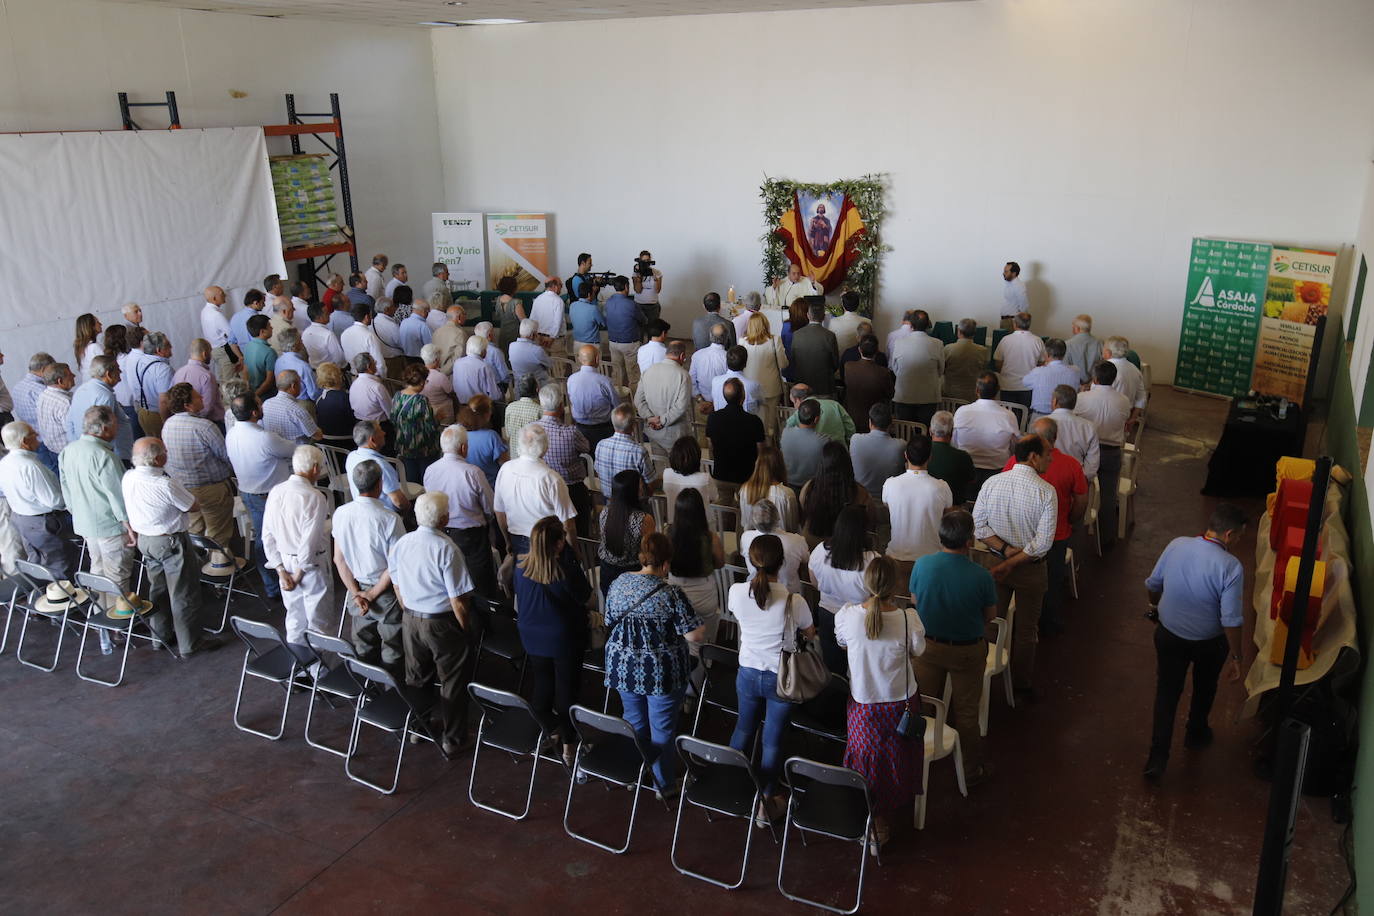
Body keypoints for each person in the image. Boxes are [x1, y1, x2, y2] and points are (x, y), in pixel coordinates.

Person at [1142, 503, 1247, 783]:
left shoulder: (1177, 545)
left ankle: (1157, 758)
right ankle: (1196, 733)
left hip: (1169, 636)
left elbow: (1153, 584)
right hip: (1209, 644)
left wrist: (1154, 607)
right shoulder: (1231, 567)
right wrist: (1237, 658)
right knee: (1205, 687)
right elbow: (1231, 620)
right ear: (1228, 534)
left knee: (1166, 693)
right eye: (1238, 537)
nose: (1238, 543)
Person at [604, 531, 703, 794]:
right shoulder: (670, 593)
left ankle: (632, 772)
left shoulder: (619, 582)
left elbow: (608, 619)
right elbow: (694, 634)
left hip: (623, 667)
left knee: (634, 722)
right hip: (660, 672)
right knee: (662, 728)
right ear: (666, 563)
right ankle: (663, 784)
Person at [728, 533, 815, 820]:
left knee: (743, 728)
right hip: (782, 678)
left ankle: (731, 780)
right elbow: (810, 634)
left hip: (748, 672)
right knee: (772, 740)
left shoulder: (737, 592)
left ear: (752, 563)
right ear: (782, 563)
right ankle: (766, 800)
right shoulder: (795, 601)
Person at [908, 508, 996, 788]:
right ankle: (970, 770)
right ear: (970, 540)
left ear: (941, 536)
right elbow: (990, 617)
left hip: (928, 648)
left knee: (922, 706)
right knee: (967, 712)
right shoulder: (981, 576)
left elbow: (914, 600)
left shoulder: (922, 565)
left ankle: (914, 761)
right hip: (967, 651)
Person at [389, 491, 478, 756]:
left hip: (411, 618)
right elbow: (459, 601)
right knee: (451, 680)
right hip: (441, 622)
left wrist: (408, 609)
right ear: (444, 518)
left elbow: (395, 583)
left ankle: (419, 729)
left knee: (416, 677)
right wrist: (466, 630)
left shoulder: (402, 543)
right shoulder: (447, 548)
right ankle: (453, 739)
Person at [972, 435, 1058, 700]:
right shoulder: (1046, 492)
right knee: (1026, 630)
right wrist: (1013, 556)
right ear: (1033, 457)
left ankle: (982, 675)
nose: (1050, 459)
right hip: (1030, 570)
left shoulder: (992, 482)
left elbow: (979, 526)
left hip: (994, 564)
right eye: (1047, 454)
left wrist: (1003, 553)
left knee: (990, 621)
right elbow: (1042, 545)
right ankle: (1021, 683)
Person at [123, 437, 217, 658]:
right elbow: (192, 505)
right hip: (170, 540)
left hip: (145, 540)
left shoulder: (128, 477)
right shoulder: (164, 483)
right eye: (165, 450)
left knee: (157, 589)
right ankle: (190, 643)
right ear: (158, 458)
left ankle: (161, 636)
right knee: (184, 592)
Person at [514, 515, 592, 767]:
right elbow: (586, 598)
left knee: (542, 685)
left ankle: (549, 731)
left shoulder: (520, 567)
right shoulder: (565, 572)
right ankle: (571, 745)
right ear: (559, 544)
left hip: (531, 636)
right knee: (567, 691)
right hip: (564, 639)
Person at [60, 406, 148, 618]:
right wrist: (129, 526)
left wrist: (76, 512)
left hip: (85, 523)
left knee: (98, 571)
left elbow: (65, 488)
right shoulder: (105, 456)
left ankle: (101, 615)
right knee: (117, 574)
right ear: (105, 428)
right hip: (111, 526)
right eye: (116, 423)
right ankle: (118, 620)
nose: (118, 427)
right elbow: (118, 495)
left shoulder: (68, 450)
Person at [1007, 417, 1087, 638]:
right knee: (1051, 582)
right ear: (1055, 438)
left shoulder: (1015, 462)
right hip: (1056, 536)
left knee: (1018, 580)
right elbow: (1081, 500)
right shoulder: (1071, 464)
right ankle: (1048, 623)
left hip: (1018, 536)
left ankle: (1016, 623)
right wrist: (1069, 520)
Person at [333, 460, 406, 674]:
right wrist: (372, 594)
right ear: (380, 484)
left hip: (356, 590)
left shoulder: (341, 513)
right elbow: (395, 565)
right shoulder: (390, 519)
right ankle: (393, 695)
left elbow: (339, 560)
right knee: (393, 648)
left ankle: (368, 692)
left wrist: (358, 594)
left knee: (363, 647)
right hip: (384, 593)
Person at [262, 445, 333, 663]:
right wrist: (299, 574)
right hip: (310, 566)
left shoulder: (276, 491)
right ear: (314, 468)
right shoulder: (314, 497)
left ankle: (297, 669)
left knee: (294, 619)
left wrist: (281, 571)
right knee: (317, 622)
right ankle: (317, 673)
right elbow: (309, 542)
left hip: (284, 560)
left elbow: (267, 534)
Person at [224, 394, 294, 598]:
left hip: (248, 492)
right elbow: (294, 450)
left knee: (262, 539)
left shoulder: (232, 434)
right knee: (275, 539)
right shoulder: (265, 437)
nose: (262, 405)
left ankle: (271, 585)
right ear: (254, 412)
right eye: (259, 403)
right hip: (270, 495)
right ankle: (282, 582)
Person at [161, 383, 237, 558]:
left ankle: (198, 570)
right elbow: (225, 455)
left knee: (195, 532)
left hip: (184, 489)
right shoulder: (205, 427)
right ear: (187, 405)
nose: (202, 397)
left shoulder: (168, 425)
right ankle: (220, 575)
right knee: (219, 535)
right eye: (197, 396)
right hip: (212, 489)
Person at [424, 424, 499, 599]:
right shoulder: (473, 472)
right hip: (472, 536)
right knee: (481, 585)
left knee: (450, 581)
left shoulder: (430, 471)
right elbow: (490, 506)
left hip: (440, 533)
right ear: (464, 448)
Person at [809, 505, 880, 672]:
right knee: (860, 668)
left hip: (827, 615)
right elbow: (876, 594)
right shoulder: (873, 560)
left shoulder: (820, 551)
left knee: (833, 670)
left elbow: (814, 583)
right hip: (859, 619)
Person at [0, 421, 72, 578]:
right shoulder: (30, 466)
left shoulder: (4, 463)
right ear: (24, 442)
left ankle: (46, 596)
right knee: (59, 566)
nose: (38, 437)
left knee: (38, 565)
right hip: (42, 523)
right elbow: (54, 501)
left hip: (21, 519)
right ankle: (66, 599)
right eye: (34, 434)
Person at [494, 422, 578, 554]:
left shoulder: (505, 469)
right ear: (545, 448)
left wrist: (508, 541)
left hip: (517, 540)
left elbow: (499, 512)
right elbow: (568, 523)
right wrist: (575, 552)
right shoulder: (551, 478)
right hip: (547, 544)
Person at [883, 434, 954, 581]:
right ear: (930, 457)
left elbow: (888, 507)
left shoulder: (890, 484)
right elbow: (947, 515)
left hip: (896, 559)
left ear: (906, 455)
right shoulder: (941, 487)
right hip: (931, 561)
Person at [1075, 362, 1131, 547]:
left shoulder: (1082, 398)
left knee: (1080, 493)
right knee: (1108, 497)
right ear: (1114, 379)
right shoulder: (1123, 400)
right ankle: (1106, 539)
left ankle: (1076, 534)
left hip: (1085, 452)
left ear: (1095, 378)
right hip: (1111, 452)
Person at [668, 487, 725, 654]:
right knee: (705, 640)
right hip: (705, 594)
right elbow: (720, 563)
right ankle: (704, 663)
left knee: (679, 634)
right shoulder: (710, 537)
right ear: (701, 511)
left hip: (676, 593)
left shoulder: (668, 533)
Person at [799, 440, 877, 547]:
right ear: (848, 465)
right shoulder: (862, 495)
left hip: (813, 546)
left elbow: (803, 512)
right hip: (848, 550)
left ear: (821, 465)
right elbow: (870, 526)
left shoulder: (809, 488)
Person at [537, 385, 593, 535]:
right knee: (580, 530)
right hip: (573, 489)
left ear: (541, 404)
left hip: (543, 488)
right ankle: (582, 554)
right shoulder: (571, 433)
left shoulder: (532, 429)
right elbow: (586, 447)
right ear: (562, 406)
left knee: (552, 529)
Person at [952, 373, 1020, 494]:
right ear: (998, 391)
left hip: (967, 470)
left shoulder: (962, 412)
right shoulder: (1008, 416)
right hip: (998, 471)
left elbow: (954, 442)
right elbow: (1015, 445)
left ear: (977, 390)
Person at [598, 468, 655, 596]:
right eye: (640, 485)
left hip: (606, 574)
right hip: (634, 576)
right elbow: (649, 553)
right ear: (633, 491)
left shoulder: (605, 512)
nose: (642, 488)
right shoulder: (644, 519)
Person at [68, 355, 132, 462]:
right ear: (108, 374)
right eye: (117, 369)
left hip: (84, 450)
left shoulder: (81, 389)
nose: (120, 371)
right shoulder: (104, 395)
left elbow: (69, 422)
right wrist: (109, 458)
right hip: (108, 456)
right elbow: (104, 430)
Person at [634, 340, 692, 453]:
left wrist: (650, 417)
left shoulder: (648, 371)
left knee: (660, 465)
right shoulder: (683, 375)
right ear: (682, 356)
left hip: (652, 430)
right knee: (678, 467)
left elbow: (638, 400)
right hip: (674, 434)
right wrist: (662, 420)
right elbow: (681, 406)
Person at [705, 378, 765, 487]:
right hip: (747, 477)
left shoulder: (713, 418)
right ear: (743, 396)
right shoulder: (754, 421)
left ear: (724, 396)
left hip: (721, 474)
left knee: (724, 502)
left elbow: (710, 447)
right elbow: (761, 453)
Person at [739, 500, 809, 593]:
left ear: (754, 520)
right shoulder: (797, 540)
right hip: (789, 593)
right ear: (777, 518)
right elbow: (806, 560)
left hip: (753, 590)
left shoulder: (745, 537)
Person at [891, 310, 944, 425]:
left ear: (911, 325)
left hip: (904, 396)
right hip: (928, 397)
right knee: (925, 433)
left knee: (905, 433)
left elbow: (895, 369)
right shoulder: (938, 344)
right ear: (928, 325)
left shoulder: (899, 342)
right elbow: (941, 370)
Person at [740, 312, 788, 437]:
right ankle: (769, 449)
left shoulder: (742, 342)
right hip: (771, 387)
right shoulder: (774, 340)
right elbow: (783, 364)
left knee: (751, 420)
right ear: (765, 324)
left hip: (749, 387)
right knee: (770, 423)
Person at [345, 420, 410, 512]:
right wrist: (409, 509)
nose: (384, 433)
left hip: (361, 510)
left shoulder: (351, 457)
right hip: (385, 514)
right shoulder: (380, 465)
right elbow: (398, 501)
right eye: (380, 430)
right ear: (373, 440)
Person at [593, 404, 654, 499]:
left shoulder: (600, 445)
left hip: (609, 501)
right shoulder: (639, 451)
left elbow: (597, 472)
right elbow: (650, 484)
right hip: (632, 504)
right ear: (633, 426)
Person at [567, 343, 620, 451]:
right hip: (604, 430)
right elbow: (617, 406)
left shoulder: (571, 379)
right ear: (597, 359)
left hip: (579, 428)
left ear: (580, 359)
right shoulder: (604, 381)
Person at [738, 443, 800, 534]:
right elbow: (792, 528)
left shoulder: (745, 490)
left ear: (758, 464)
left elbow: (745, 523)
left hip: (752, 542)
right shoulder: (787, 494)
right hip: (781, 543)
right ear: (780, 466)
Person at [850, 402, 906, 499]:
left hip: (862, 498)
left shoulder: (855, 440)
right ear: (891, 425)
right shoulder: (900, 445)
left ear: (870, 422)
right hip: (890, 500)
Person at [993, 312, 1045, 410]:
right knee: (1025, 417)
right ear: (1029, 324)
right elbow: (1042, 364)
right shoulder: (1037, 341)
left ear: (1014, 324)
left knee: (1008, 416)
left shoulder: (1005, 340)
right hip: (1028, 387)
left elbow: (998, 363)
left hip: (1008, 385)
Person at [1048, 385, 1100, 480]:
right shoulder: (1089, 426)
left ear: (1055, 401)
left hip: (1046, 475)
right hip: (1076, 476)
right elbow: (1092, 462)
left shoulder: (1041, 423)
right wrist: (1081, 478)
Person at [844, 335, 895, 431]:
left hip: (852, 418)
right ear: (877, 351)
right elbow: (890, 394)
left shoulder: (848, 367)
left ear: (859, 350)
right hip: (876, 421)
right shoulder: (883, 372)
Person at [1021, 338, 1082, 419]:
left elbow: (1025, 382)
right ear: (1064, 354)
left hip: (1040, 417)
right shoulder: (1075, 371)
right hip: (1065, 417)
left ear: (1047, 354)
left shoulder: (1039, 372)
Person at [662, 435, 717, 525]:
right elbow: (714, 497)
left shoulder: (667, 474)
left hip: (675, 525)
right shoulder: (704, 479)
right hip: (702, 527)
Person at [790, 299, 840, 396]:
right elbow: (835, 363)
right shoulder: (829, 336)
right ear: (824, 317)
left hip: (802, 386)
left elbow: (793, 360)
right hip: (824, 386)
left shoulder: (796, 334)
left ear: (808, 316)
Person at [604, 276, 646, 390]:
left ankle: (617, 397)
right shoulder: (632, 304)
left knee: (616, 372)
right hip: (629, 343)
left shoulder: (608, 302)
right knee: (633, 374)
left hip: (613, 342)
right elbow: (643, 320)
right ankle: (634, 401)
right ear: (626, 287)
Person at [171, 338, 225, 426]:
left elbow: (172, 399)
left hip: (183, 423)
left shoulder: (178, 373)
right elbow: (207, 407)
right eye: (210, 352)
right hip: (210, 423)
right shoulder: (207, 376)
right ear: (204, 354)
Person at [927, 409, 976, 504]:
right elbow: (971, 480)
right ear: (952, 432)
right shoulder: (963, 457)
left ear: (930, 431)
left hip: (927, 504)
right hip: (954, 506)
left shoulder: (920, 453)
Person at [263, 370, 321, 445]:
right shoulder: (297, 410)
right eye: (300, 383)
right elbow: (317, 436)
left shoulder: (265, 404)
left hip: (274, 452)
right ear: (293, 386)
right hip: (297, 454)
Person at [462, 396, 508, 488]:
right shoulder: (491, 436)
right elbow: (504, 463)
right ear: (486, 414)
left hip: (468, 485)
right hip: (491, 485)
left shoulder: (460, 433)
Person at [780, 398, 826, 488]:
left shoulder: (785, 432)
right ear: (816, 419)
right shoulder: (824, 441)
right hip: (812, 488)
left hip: (787, 485)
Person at [943, 318, 989, 404]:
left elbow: (942, 370)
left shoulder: (948, 349)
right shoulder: (983, 351)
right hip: (972, 396)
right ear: (974, 333)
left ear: (959, 331)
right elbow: (983, 372)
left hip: (950, 395)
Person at [1105, 336, 1148, 425]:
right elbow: (1142, 398)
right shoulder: (1135, 369)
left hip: (1107, 418)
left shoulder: (1105, 369)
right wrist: (1133, 418)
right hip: (1126, 416)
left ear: (1108, 352)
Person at [709, 345, 762, 415]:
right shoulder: (753, 385)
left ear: (727, 362)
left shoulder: (715, 381)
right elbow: (760, 402)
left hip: (720, 423)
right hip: (746, 424)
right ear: (745, 364)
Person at [36, 362, 75, 455]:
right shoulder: (65, 403)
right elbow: (74, 433)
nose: (74, 375)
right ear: (60, 381)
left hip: (51, 451)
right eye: (70, 375)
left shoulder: (43, 395)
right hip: (68, 452)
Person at [348, 353, 393, 434]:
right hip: (379, 427)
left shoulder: (353, 385)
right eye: (374, 362)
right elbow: (390, 411)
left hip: (360, 426)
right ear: (369, 367)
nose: (375, 363)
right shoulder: (377, 387)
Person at [274, 328, 320, 405]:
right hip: (303, 403)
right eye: (300, 340)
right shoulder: (303, 366)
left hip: (283, 402)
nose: (302, 342)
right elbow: (313, 394)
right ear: (294, 346)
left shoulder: (278, 361)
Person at [314, 362, 357, 441]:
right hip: (347, 440)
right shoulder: (345, 398)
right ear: (339, 377)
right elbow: (356, 419)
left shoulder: (319, 400)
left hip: (326, 442)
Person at [200, 290, 237, 380]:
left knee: (222, 378)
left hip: (214, 349)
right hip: (223, 350)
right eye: (222, 294)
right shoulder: (216, 314)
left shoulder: (204, 311)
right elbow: (230, 334)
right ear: (214, 298)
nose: (225, 295)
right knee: (230, 380)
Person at [502, 376, 543, 457]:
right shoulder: (539, 410)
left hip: (514, 455)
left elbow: (508, 433)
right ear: (537, 390)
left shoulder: (509, 408)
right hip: (533, 457)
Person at [690, 323, 730, 402]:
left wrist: (700, 400)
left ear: (710, 336)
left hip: (701, 402)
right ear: (726, 337)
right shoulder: (728, 357)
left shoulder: (697, 355)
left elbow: (691, 380)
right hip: (722, 401)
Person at [419, 344, 456, 426]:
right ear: (436, 360)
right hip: (444, 413)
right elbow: (451, 393)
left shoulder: (418, 374)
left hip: (425, 412)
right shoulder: (440, 377)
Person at [509, 318, 551, 390]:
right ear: (532, 335)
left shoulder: (511, 346)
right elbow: (550, 364)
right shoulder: (537, 350)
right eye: (537, 333)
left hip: (518, 388)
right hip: (538, 389)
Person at [341, 302, 386, 370]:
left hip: (353, 374)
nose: (371, 318)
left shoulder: (344, 333)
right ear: (366, 317)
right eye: (370, 315)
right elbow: (379, 363)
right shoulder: (369, 336)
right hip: (370, 375)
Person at [242, 316, 278, 400]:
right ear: (262, 331)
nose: (272, 328)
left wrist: (249, 392)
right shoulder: (270, 352)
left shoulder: (248, 346)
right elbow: (269, 381)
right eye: (269, 326)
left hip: (251, 391)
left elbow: (245, 371)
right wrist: (255, 395)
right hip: (266, 394)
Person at [301, 302, 345, 369]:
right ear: (319, 318)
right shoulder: (328, 335)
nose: (329, 314)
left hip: (314, 369)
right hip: (329, 370)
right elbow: (339, 358)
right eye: (326, 313)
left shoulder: (305, 333)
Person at [530, 277, 567, 354]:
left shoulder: (537, 299)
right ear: (555, 286)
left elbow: (532, 319)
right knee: (558, 365)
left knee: (542, 365)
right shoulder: (558, 301)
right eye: (561, 285)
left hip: (539, 339)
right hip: (555, 341)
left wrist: (537, 336)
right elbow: (557, 322)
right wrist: (551, 338)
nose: (561, 288)